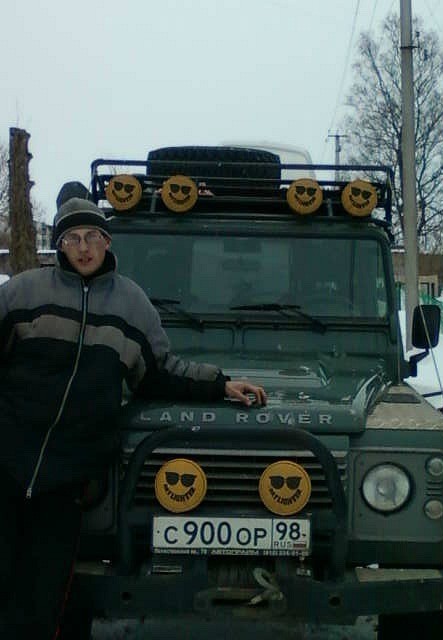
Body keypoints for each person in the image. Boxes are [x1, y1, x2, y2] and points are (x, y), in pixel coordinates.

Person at [0, 197, 266, 639]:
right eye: (72, 238)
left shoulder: (131, 304)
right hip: (6, 465)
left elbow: (159, 372)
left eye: (91, 237)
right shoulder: (23, 292)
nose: (83, 247)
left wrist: (220, 384)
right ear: (60, 245)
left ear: (107, 242)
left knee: (42, 601)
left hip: (65, 482)